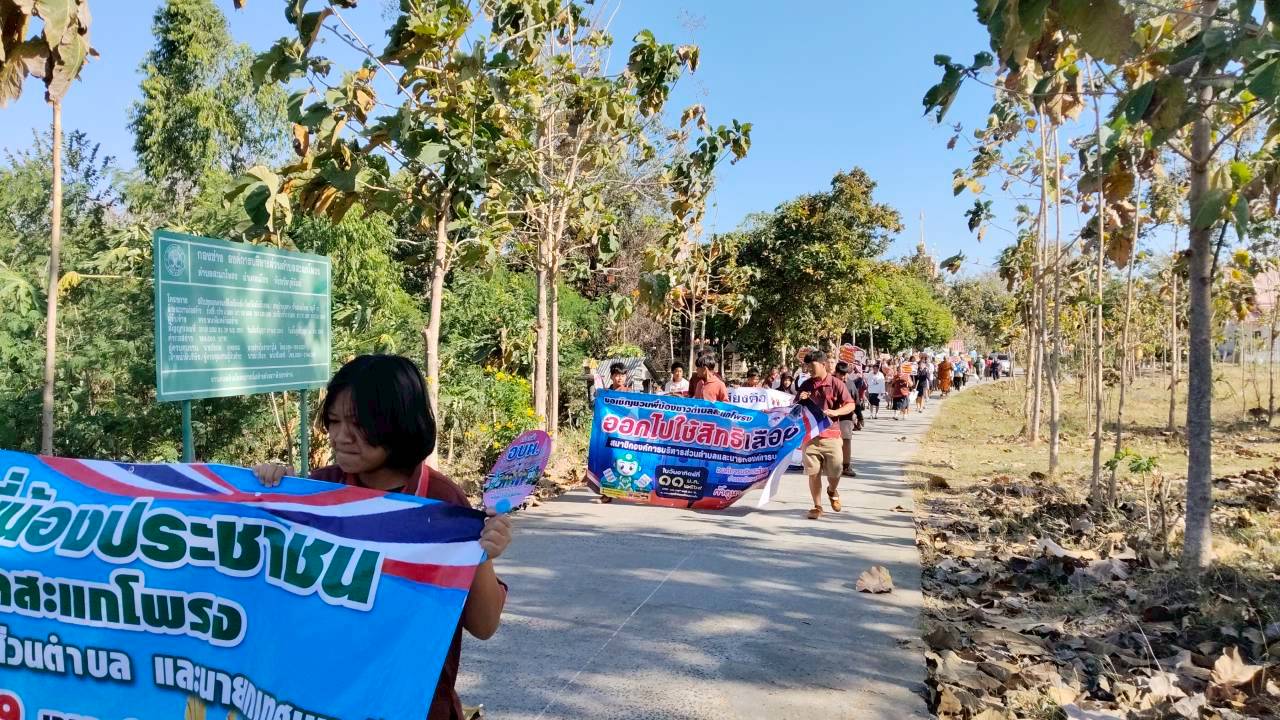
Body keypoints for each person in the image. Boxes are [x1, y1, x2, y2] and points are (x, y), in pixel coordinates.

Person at [252, 355, 511, 720]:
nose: (340, 436)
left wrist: (481, 551)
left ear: (398, 421)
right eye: (334, 421)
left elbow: (483, 626)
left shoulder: (441, 501)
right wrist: (269, 492)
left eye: (358, 424)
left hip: (416, 707)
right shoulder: (318, 490)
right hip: (323, 703)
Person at [796, 351, 858, 519]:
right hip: (811, 436)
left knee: (836, 471)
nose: (809, 369)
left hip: (832, 435)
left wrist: (835, 412)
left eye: (812, 365)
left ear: (823, 365)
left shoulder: (836, 383)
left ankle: (832, 490)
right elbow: (796, 409)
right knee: (813, 472)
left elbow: (850, 405)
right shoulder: (806, 384)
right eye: (807, 366)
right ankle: (817, 506)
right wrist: (800, 399)